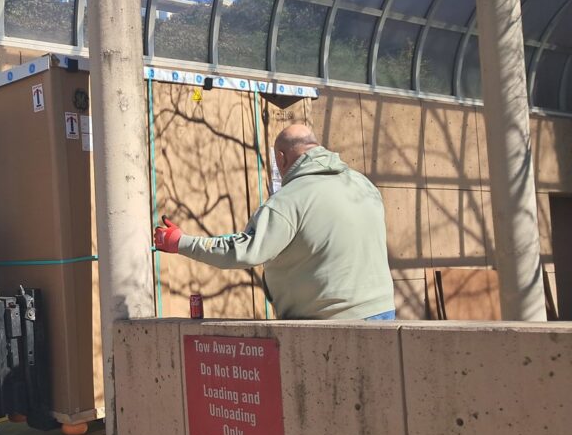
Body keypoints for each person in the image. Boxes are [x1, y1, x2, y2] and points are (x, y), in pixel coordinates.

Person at [154, 124, 395, 321]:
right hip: (382, 311)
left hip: (333, 321)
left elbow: (245, 251)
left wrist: (180, 242)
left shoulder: (289, 199)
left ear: (281, 157)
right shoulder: (362, 184)